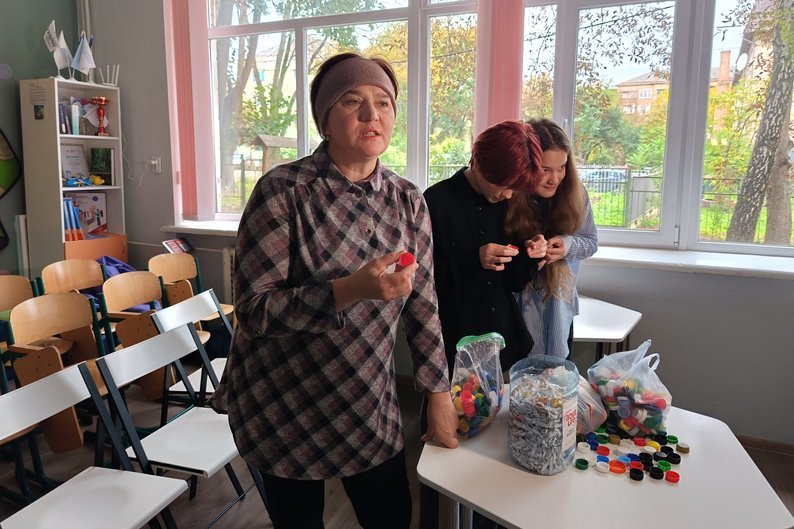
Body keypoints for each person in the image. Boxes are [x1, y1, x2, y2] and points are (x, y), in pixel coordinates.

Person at [209, 52, 458, 529]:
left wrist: (438, 393)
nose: (371, 114)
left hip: (367, 403)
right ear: (324, 120)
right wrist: (349, 290)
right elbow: (255, 311)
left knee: (391, 517)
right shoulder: (283, 192)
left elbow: (423, 305)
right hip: (283, 407)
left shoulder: (407, 201)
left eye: (383, 102)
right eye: (352, 101)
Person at [424, 120, 546, 377]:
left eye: (515, 189)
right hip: (454, 346)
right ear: (479, 164)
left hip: (505, 343)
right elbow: (423, 281)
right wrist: (473, 258)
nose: (508, 195)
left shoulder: (510, 202)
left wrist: (532, 254)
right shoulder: (436, 202)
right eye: (504, 185)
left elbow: (514, 283)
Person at [505, 118, 598, 358]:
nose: (554, 178)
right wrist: (526, 250)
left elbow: (590, 242)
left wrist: (567, 245)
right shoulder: (508, 195)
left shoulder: (577, 194)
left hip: (559, 306)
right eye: (545, 169)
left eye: (562, 167)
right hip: (518, 308)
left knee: (557, 374)